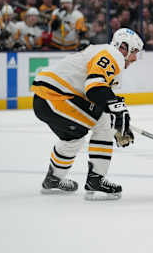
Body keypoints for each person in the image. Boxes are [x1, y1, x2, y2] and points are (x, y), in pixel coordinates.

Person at [31, 28, 144, 200]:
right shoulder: (113, 54)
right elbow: (94, 88)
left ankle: (53, 179)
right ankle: (96, 180)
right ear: (123, 47)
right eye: (134, 52)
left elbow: (99, 98)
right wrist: (119, 112)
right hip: (57, 97)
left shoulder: (102, 52)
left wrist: (118, 115)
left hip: (45, 99)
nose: (135, 58)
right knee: (103, 123)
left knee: (74, 138)